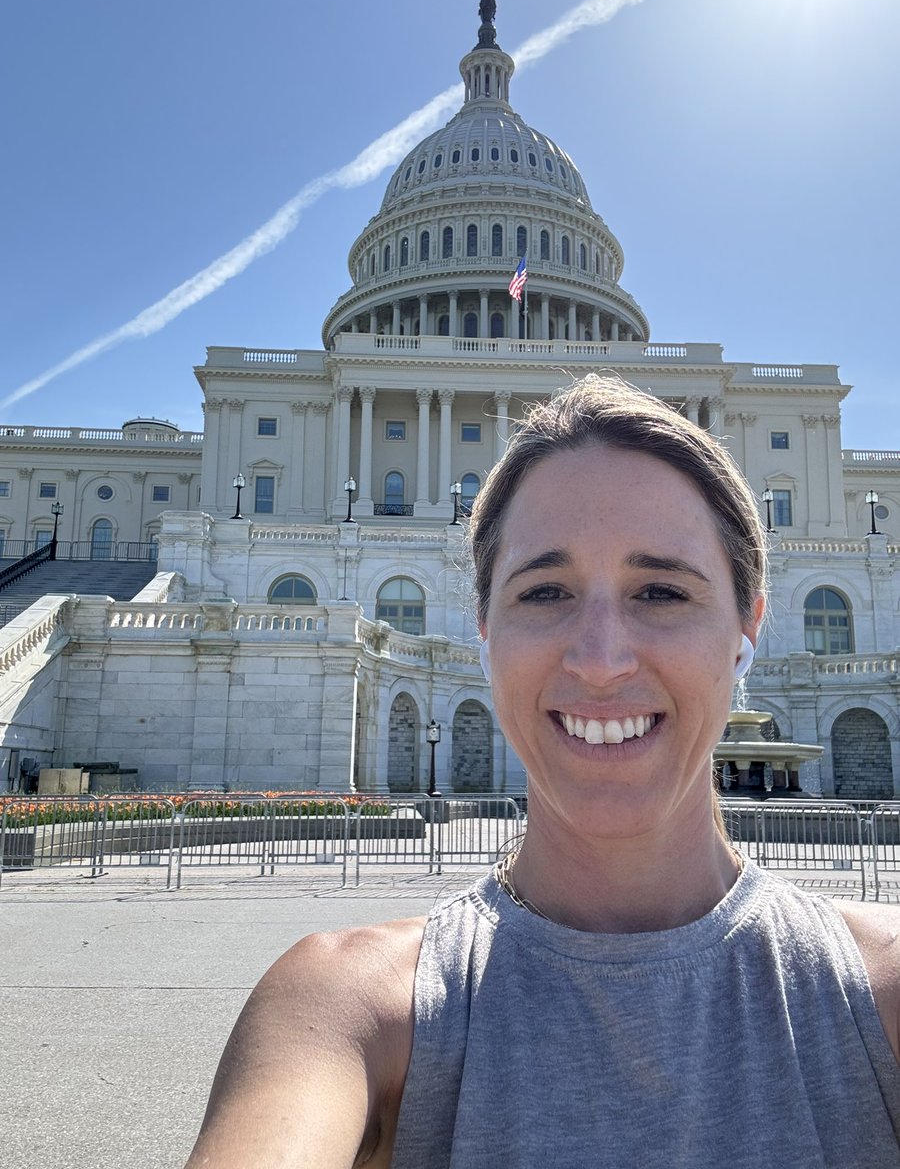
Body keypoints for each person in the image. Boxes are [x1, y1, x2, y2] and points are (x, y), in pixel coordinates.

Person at [185, 375, 900, 1168]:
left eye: (661, 591)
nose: (600, 662)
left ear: (747, 626)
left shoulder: (885, 990)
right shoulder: (345, 1008)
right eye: (545, 590)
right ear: (484, 628)